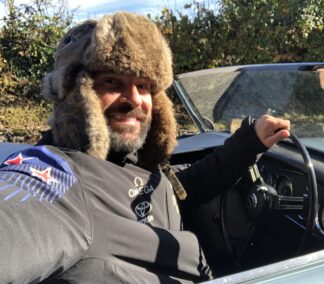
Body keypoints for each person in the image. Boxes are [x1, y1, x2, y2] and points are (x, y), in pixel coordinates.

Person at [0, 12, 290, 283]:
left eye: (144, 85)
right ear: (77, 94)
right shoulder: (59, 177)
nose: (135, 99)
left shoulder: (130, 159)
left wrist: (250, 142)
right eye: (112, 81)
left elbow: (177, 190)